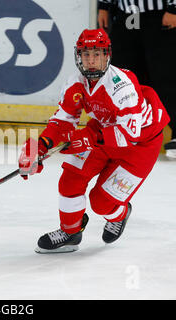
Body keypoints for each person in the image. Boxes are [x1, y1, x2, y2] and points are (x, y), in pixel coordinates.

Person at [18, 29, 169, 253]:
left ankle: (120, 213)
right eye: (86, 55)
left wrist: (89, 137)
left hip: (140, 145)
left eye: (96, 55)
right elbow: (63, 120)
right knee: (70, 179)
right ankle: (71, 232)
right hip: (102, 132)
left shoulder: (121, 85)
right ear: (78, 56)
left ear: (107, 55)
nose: (91, 61)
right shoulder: (75, 83)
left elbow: (131, 133)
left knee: (101, 203)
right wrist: (42, 146)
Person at [97, 0, 176, 159]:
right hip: (128, 14)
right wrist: (104, 6)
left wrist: (174, 8)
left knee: (166, 74)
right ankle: (130, 132)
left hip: (160, 14)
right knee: (124, 76)